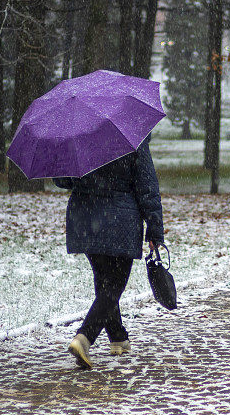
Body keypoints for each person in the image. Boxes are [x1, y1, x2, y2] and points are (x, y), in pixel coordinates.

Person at [53, 134, 164, 370]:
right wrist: (155, 229)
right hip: (119, 218)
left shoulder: (78, 135)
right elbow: (147, 186)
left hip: (85, 217)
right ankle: (84, 338)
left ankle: (118, 337)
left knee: (105, 280)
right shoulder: (132, 136)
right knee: (113, 285)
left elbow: (63, 180)